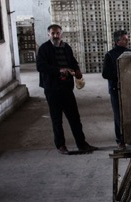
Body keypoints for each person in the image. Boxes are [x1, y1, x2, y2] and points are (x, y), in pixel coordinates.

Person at [36, 24, 97, 155]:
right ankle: (61, 145)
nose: (55, 36)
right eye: (53, 33)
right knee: (57, 118)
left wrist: (77, 70)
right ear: (49, 35)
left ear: (61, 34)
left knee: (74, 117)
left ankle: (82, 144)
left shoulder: (66, 47)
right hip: (52, 89)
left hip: (66, 88)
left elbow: (73, 61)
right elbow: (41, 66)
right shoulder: (44, 49)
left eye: (58, 33)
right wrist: (59, 70)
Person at [101, 29, 131, 150]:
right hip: (115, 88)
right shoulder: (110, 55)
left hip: (129, 87)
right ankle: (120, 140)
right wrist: (121, 74)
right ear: (117, 41)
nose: (127, 40)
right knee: (119, 115)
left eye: (127, 38)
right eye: (124, 39)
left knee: (129, 113)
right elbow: (105, 74)